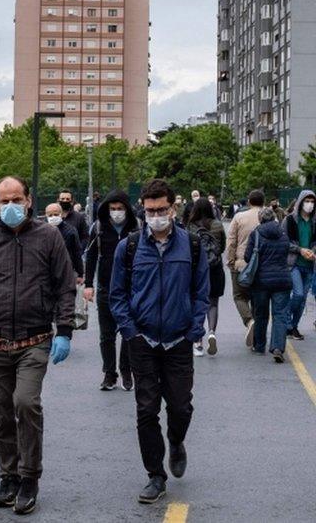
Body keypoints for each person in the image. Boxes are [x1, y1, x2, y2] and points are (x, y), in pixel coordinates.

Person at [0, 176, 76, 515]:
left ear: (29, 200)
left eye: (16, 199)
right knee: (1, 414)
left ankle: (29, 476)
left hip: (34, 341)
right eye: (4, 201)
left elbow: (65, 286)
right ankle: (9, 476)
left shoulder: (49, 237)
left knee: (25, 404)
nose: (10, 206)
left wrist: (64, 329)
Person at [110, 179, 209, 505]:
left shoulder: (192, 246)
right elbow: (118, 295)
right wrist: (130, 332)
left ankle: (176, 440)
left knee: (180, 406)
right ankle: (155, 475)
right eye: (150, 211)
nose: (156, 216)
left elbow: (201, 292)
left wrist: (195, 329)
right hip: (143, 341)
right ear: (143, 209)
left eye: (162, 210)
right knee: (146, 410)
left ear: (173, 208)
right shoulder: (130, 247)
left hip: (180, 340)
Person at [84, 190, 140, 391]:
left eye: (120, 209)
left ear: (127, 209)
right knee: (106, 335)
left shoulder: (137, 228)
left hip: (131, 289)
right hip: (106, 287)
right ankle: (109, 373)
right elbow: (90, 257)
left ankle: (126, 370)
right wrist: (88, 284)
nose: (116, 213)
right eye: (113, 209)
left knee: (128, 332)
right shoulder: (98, 228)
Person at [245, 208, 308, 363]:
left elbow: (248, 257)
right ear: (273, 218)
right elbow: (288, 250)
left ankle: (260, 346)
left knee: (261, 314)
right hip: (282, 279)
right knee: (279, 314)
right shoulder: (283, 234)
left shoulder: (256, 234)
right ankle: (278, 348)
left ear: (260, 219)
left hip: (261, 281)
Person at [186, 198, 226, 357]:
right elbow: (221, 247)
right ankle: (211, 332)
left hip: (196, 269)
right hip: (215, 268)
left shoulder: (191, 226)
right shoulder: (217, 224)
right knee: (213, 302)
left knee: (197, 303)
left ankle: (197, 342)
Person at [227, 190, 264, 346]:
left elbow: (231, 241)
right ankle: (258, 337)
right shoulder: (270, 217)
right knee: (257, 297)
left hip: (241, 263)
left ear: (249, 201)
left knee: (239, 296)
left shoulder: (239, 217)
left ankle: (249, 320)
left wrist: (230, 260)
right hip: (262, 264)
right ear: (263, 201)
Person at [283, 189, 316, 341]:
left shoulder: (314, 221)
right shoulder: (290, 220)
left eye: (312, 201)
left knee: (302, 300)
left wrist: (312, 251)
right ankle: (285, 321)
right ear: (301, 202)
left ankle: (293, 327)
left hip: (309, 264)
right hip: (293, 263)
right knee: (298, 294)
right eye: (307, 201)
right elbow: (284, 242)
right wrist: (300, 250)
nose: (310, 205)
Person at [45, 203, 84, 281]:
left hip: (66, 272)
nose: (53, 217)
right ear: (46, 215)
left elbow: (76, 252)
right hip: (46, 273)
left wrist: (80, 273)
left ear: (61, 214)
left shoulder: (70, 231)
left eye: (56, 214)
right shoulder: (42, 231)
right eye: (50, 215)